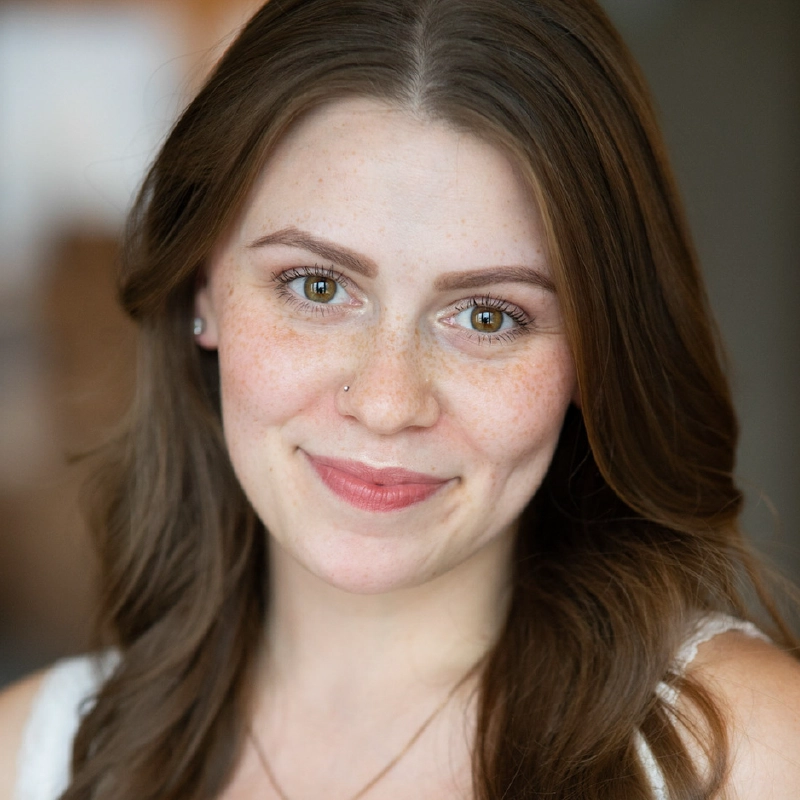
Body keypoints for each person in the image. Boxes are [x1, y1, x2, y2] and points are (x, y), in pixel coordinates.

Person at [1, 0, 799, 797]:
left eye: (489, 316)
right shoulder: (30, 761)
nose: (386, 402)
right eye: (316, 286)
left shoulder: (744, 755)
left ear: (596, 351)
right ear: (202, 285)